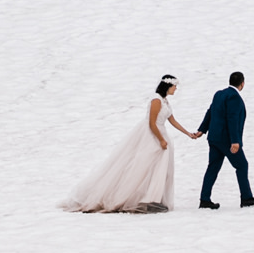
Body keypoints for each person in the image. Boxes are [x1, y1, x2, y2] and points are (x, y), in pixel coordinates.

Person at [62, 76, 198, 214]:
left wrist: (188, 133)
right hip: (152, 135)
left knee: (158, 167)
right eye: (175, 86)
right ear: (168, 86)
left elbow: (172, 120)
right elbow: (152, 123)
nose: (176, 89)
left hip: (161, 133)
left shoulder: (165, 101)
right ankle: (137, 197)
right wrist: (161, 139)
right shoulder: (156, 100)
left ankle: (152, 198)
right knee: (143, 166)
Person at [197, 71, 254, 209]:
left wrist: (202, 130)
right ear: (242, 83)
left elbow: (210, 111)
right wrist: (235, 141)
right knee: (242, 165)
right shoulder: (234, 98)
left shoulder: (219, 94)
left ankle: (204, 199)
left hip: (214, 138)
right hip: (226, 140)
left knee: (213, 167)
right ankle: (246, 198)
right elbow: (232, 119)